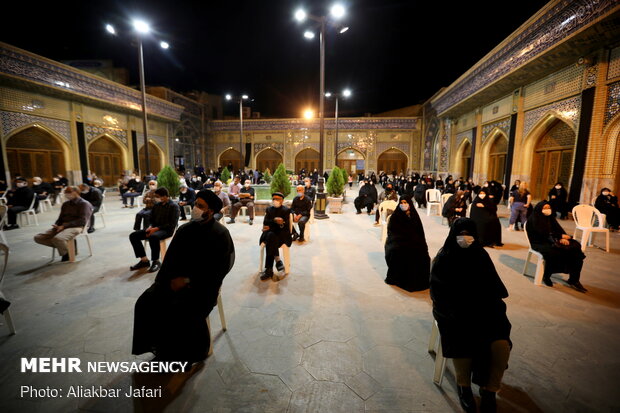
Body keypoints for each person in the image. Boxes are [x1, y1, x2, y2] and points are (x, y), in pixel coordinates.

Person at [132, 190, 235, 364]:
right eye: (196, 204)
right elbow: (171, 259)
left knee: (182, 308)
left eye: (200, 206)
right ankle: (160, 347)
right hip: (174, 281)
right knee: (147, 301)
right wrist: (164, 282)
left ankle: (186, 355)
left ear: (210, 211)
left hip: (203, 286)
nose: (195, 208)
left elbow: (218, 269)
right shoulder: (184, 230)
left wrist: (188, 281)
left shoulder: (220, 234)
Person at [430, 218, 511, 413]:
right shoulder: (445, 257)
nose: (465, 238)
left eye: (469, 234)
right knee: (462, 337)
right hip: (452, 312)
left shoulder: (481, 256)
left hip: (483, 309)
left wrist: (486, 304)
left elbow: (495, 288)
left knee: (500, 344)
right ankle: (463, 386)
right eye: (461, 234)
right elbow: (438, 294)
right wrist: (456, 310)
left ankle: (489, 389)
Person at [526, 201, 587, 292]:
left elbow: (558, 229)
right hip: (539, 242)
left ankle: (574, 279)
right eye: (545, 208)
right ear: (539, 209)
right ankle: (547, 275)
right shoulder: (534, 218)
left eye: (548, 208)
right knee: (555, 252)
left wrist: (562, 237)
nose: (547, 210)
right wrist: (559, 237)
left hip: (553, 239)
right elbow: (542, 234)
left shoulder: (550, 218)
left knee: (575, 247)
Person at [34, 186, 93, 261]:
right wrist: (57, 225)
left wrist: (64, 226)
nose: (66, 195)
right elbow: (60, 218)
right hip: (63, 226)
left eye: (68, 193)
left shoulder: (84, 204)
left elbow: (82, 220)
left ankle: (67, 253)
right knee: (38, 238)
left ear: (76, 193)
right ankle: (67, 249)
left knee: (58, 238)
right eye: (66, 193)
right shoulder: (66, 204)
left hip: (78, 226)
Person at [384, 196, 430, 292]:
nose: (403, 205)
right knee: (404, 254)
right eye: (402, 202)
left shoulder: (414, 216)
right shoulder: (395, 217)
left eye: (406, 202)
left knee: (423, 254)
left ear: (409, 204)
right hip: (399, 243)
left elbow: (420, 232)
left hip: (414, 242)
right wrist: (405, 240)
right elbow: (392, 233)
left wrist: (419, 242)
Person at [129, 188, 180, 273]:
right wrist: (150, 227)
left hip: (167, 230)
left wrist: (156, 229)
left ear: (164, 196)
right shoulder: (157, 205)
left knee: (153, 237)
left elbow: (172, 224)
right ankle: (144, 260)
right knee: (133, 235)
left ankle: (156, 261)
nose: (156, 198)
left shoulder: (174, 206)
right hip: (154, 228)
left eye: (157, 196)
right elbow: (151, 219)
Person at [259, 192, 292, 281]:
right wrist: (274, 221)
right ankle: (277, 260)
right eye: (274, 199)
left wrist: (275, 224)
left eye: (278, 199)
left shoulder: (286, 210)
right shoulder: (269, 209)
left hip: (282, 235)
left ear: (282, 200)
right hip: (271, 234)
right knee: (270, 236)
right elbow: (265, 223)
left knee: (270, 236)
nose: (275, 201)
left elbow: (285, 227)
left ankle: (269, 269)